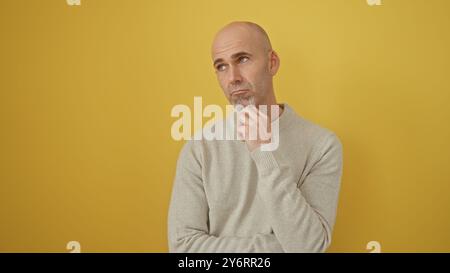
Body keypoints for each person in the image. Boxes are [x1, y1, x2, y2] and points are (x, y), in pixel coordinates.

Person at [168, 21, 343, 252]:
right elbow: (183, 248)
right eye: (221, 66)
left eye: (242, 59)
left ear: (272, 63)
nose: (233, 77)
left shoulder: (322, 146)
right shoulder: (199, 149)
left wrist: (264, 152)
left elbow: (308, 245)